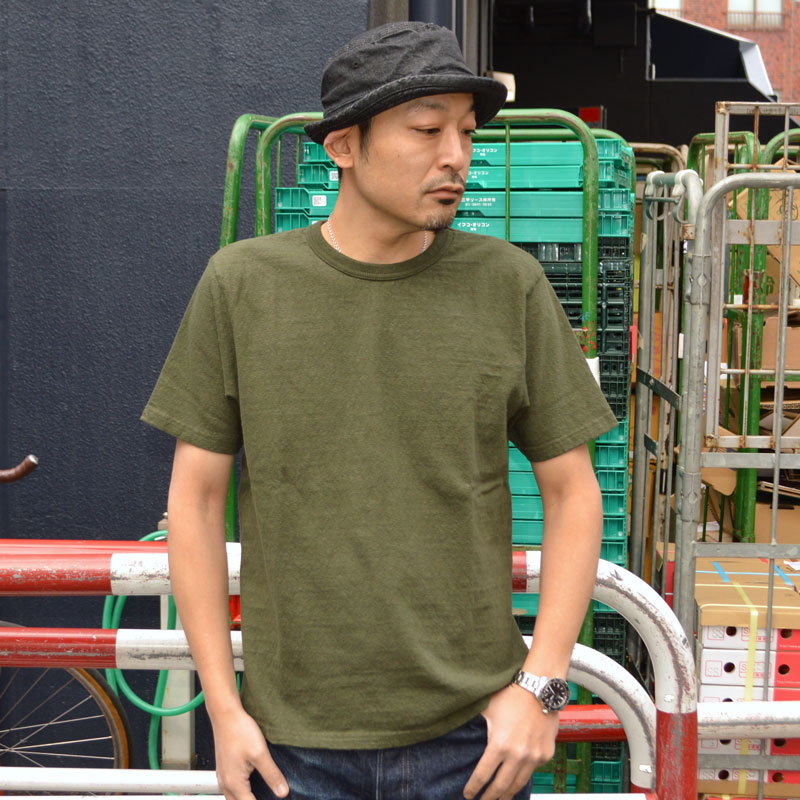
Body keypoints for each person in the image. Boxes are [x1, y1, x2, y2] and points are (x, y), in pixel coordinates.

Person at [142, 20, 617, 800]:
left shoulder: (508, 285)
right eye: (427, 130)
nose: (456, 155)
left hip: (472, 742)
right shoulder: (242, 285)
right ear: (344, 146)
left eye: (467, 132)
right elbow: (192, 503)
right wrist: (223, 710)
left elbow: (574, 492)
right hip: (290, 747)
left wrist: (543, 688)